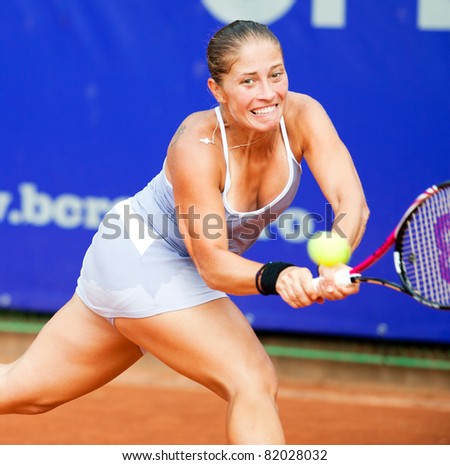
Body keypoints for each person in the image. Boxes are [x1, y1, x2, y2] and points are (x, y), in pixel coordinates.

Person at [0, 20, 369, 444]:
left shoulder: (305, 115)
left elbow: (351, 203)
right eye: (248, 81)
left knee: (22, 392)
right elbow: (211, 264)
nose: (268, 93)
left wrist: (335, 256)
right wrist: (279, 275)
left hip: (162, 264)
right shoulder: (195, 144)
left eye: (276, 74)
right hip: (139, 256)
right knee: (251, 379)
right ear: (218, 89)